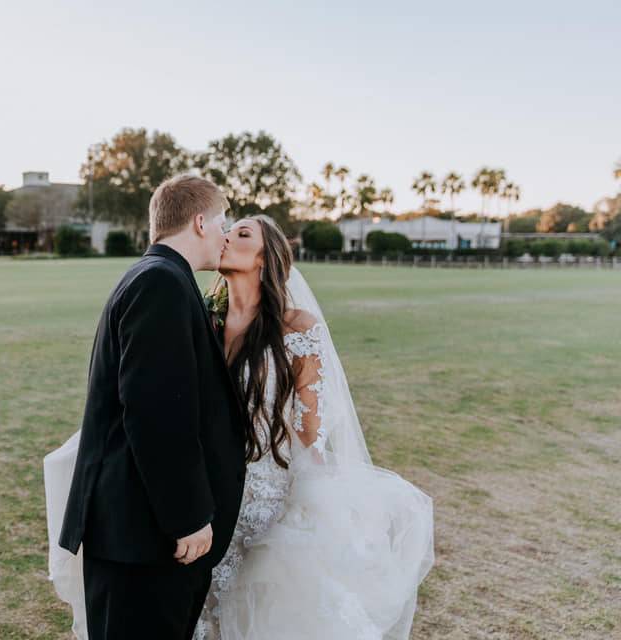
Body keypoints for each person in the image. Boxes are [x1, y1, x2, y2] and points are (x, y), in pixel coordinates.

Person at [193, 215, 434, 639]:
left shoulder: (297, 329)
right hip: (208, 491)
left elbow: (310, 427)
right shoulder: (203, 321)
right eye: (227, 230)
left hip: (267, 496)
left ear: (266, 259)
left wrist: (312, 499)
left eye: (242, 234)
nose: (227, 237)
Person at [45, 175, 248, 639]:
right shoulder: (160, 282)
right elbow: (156, 414)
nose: (224, 235)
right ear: (200, 222)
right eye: (222, 224)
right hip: (144, 537)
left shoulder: (160, 276)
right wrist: (189, 517)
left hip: (140, 533)